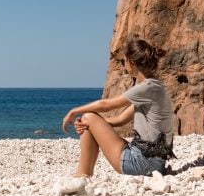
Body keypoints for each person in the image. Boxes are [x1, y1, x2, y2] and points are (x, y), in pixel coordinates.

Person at [61, 38, 175, 177]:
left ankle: (82, 176)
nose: (123, 65)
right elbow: (121, 119)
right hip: (156, 163)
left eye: (124, 61)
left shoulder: (146, 88)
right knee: (88, 120)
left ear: (131, 63)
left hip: (141, 163)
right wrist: (93, 125)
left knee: (88, 115)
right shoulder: (157, 87)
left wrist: (74, 111)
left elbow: (106, 105)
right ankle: (83, 175)